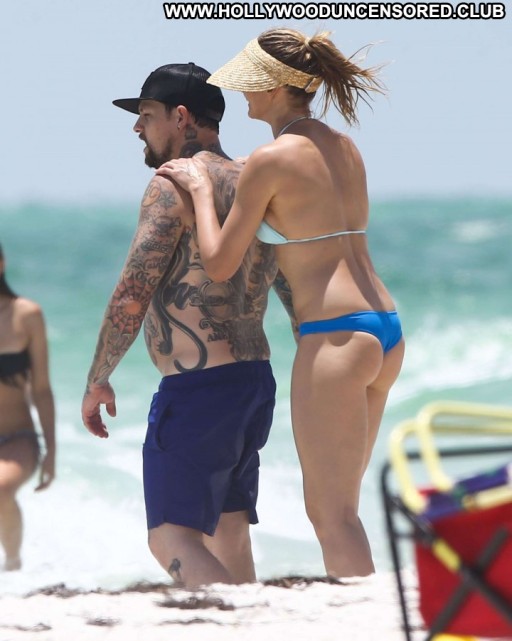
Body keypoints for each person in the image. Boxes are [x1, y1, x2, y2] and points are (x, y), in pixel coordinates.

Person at [157, 29, 405, 578]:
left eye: (249, 84)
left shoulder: (270, 160)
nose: (242, 95)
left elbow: (219, 262)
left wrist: (200, 192)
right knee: (344, 509)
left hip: (335, 334)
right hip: (384, 325)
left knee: (332, 517)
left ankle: (361, 620)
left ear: (272, 87)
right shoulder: (344, 147)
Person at [81, 63, 284, 589]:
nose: (137, 128)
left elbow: (133, 290)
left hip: (199, 390)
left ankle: (231, 619)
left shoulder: (171, 183)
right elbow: (287, 281)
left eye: (147, 115)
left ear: (181, 117)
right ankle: (255, 622)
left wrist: (99, 377)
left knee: (170, 538)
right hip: (253, 380)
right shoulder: (255, 180)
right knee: (229, 531)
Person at [0, 243, 56, 571]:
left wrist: (51, 450)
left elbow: (42, 390)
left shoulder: (27, 314)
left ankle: (12, 566)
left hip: (17, 439)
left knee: (0, 488)